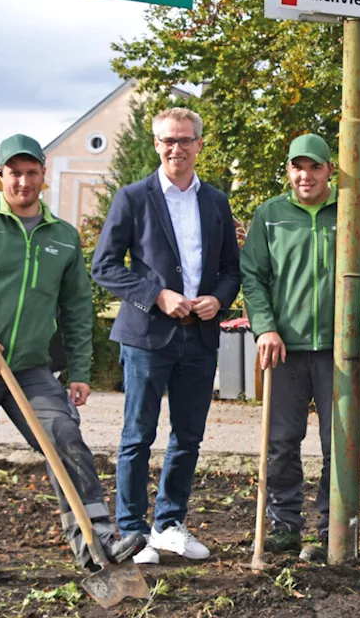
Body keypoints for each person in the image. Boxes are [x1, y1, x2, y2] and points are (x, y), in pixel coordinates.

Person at [0, 134, 144, 591]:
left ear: (43, 176)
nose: (23, 181)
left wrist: (78, 370)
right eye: (14, 172)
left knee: (64, 436)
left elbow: (76, 309)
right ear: (1, 176)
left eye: (31, 172)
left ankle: (96, 539)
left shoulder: (62, 237)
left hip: (33, 368)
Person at [91, 107, 241, 564]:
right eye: (167, 141)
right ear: (156, 144)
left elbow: (231, 269)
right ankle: (134, 533)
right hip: (147, 336)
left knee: (188, 437)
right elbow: (105, 266)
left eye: (184, 140)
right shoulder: (133, 198)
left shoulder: (215, 201)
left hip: (199, 337)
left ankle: (170, 523)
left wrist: (218, 297)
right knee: (138, 435)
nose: (176, 148)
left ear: (199, 144)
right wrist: (156, 295)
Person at [240, 133, 360, 563]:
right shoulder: (270, 216)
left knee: (339, 443)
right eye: (297, 167)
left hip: (341, 352)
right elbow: (254, 277)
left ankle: (332, 529)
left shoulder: (357, 212)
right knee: (281, 441)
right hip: (284, 350)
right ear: (288, 171)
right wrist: (264, 328)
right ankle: (284, 527)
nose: (306, 175)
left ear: (329, 171)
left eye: (315, 167)